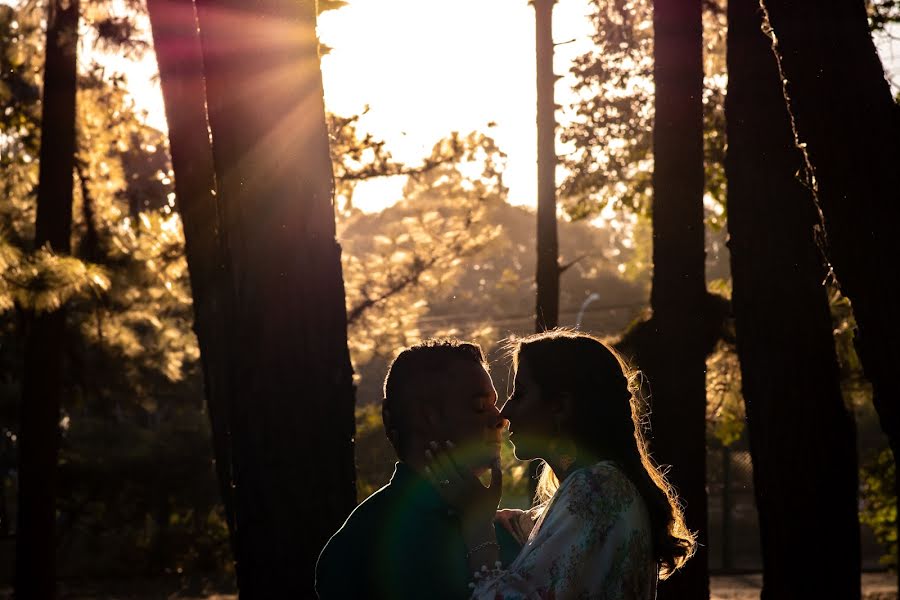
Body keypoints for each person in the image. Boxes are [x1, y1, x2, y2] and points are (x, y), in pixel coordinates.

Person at [425, 329, 696, 599]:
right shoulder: (603, 488)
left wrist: (478, 526)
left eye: (520, 394)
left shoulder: (595, 490)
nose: (505, 413)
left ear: (560, 407)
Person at [315, 338, 515, 599]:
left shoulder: (500, 526)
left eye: (495, 404)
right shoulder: (361, 546)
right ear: (427, 416)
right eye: (479, 406)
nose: (500, 418)